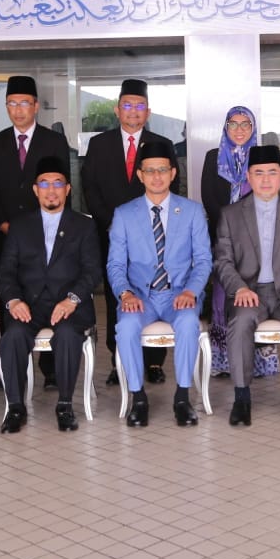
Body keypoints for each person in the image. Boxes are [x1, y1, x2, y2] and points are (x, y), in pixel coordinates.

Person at [212, 145, 280, 426]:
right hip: (249, 293)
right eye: (258, 173)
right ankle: (241, 398)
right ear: (248, 177)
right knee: (241, 319)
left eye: (272, 172)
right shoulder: (231, 214)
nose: (265, 179)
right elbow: (223, 261)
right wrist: (239, 288)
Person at [80, 78, 177, 386]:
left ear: (148, 111)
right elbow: (89, 188)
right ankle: (119, 359)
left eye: (139, 106)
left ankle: (154, 362)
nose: (133, 111)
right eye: (127, 105)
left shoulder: (162, 144)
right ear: (117, 110)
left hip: (154, 236)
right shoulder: (99, 144)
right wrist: (113, 223)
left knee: (154, 290)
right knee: (117, 296)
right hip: (110, 234)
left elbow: (172, 188)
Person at [107, 142, 212, 428]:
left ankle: (182, 397)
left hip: (180, 294)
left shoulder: (191, 211)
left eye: (162, 170)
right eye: (150, 171)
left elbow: (204, 260)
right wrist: (125, 293)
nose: (156, 176)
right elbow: (115, 264)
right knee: (126, 326)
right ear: (140, 175)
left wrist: (191, 290)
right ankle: (138, 398)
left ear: (173, 173)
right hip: (140, 296)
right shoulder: (124, 214)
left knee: (188, 323)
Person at [0, 156, 101, 433]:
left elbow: (92, 271)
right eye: (44, 184)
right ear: (35, 189)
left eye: (58, 183)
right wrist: (13, 301)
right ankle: (15, 407)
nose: (51, 190)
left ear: (68, 189)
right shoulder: (20, 226)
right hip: (28, 305)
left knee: (66, 335)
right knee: (13, 336)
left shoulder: (84, 225)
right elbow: (6, 272)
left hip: (70, 305)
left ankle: (64, 405)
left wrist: (72, 299)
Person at [201, 105, 278, 379]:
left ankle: (257, 362)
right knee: (224, 294)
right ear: (226, 128)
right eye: (233, 124)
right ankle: (224, 361)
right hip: (222, 237)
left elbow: (268, 195)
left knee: (256, 293)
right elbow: (209, 198)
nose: (240, 129)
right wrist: (229, 227)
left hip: (257, 239)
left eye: (246, 124)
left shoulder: (260, 157)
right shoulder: (213, 157)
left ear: (253, 128)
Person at [0, 74, 71, 260]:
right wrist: (4, 225)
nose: (18, 110)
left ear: (36, 106)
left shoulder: (55, 141)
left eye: (24, 103)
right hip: (6, 238)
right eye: (12, 103)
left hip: (47, 237)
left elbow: (64, 189)